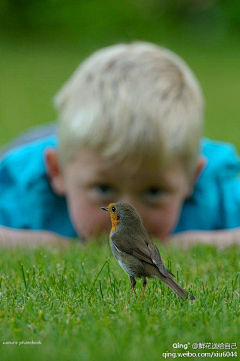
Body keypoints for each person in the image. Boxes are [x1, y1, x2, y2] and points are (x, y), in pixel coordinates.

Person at [1, 42, 240, 248]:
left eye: (153, 192)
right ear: (57, 172)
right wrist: (38, 243)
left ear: (191, 178)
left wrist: (203, 243)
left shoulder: (215, 189)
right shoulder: (23, 188)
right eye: (104, 189)